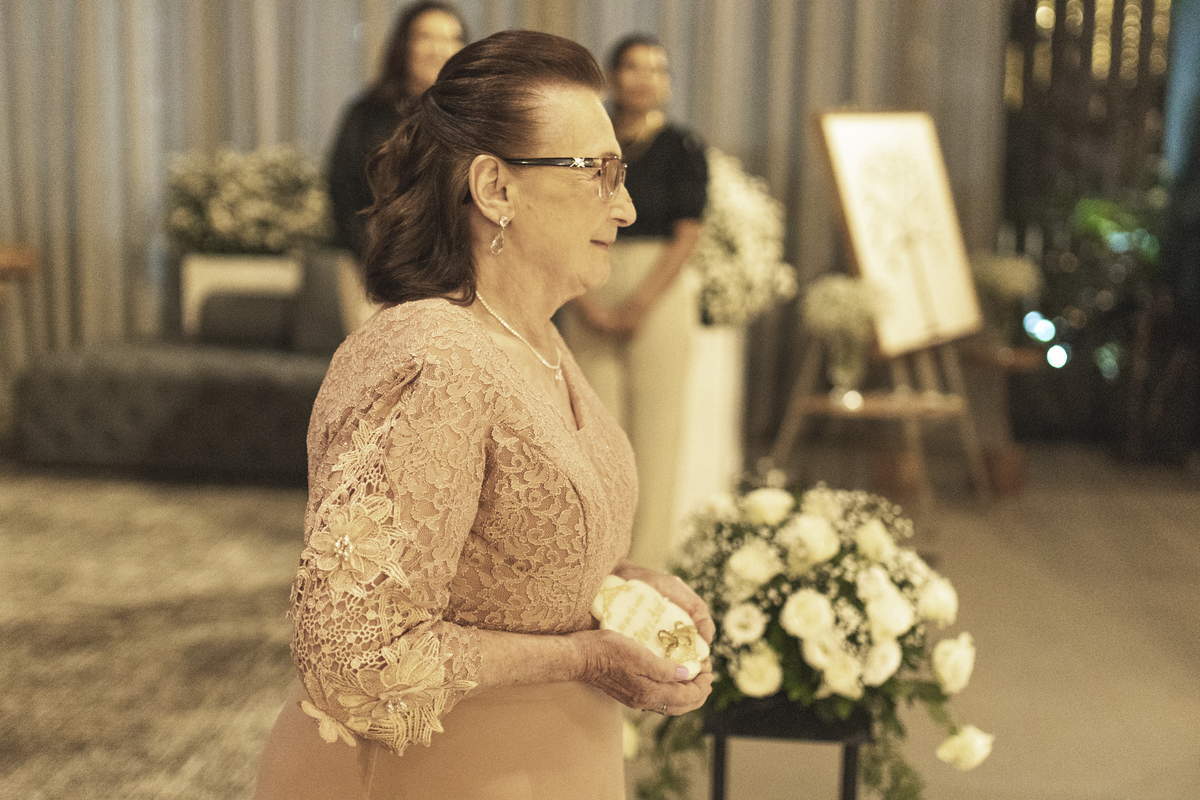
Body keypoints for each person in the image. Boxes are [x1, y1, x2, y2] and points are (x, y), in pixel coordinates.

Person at [253, 30, 715, 800]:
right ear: (495, 188)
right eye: (598, 173)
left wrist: (622, 592)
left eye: (623, 175)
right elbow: (357, 661)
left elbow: (500, 555)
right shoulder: (429, 358)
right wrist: (584, 656)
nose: (628, 206)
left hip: (548, 764)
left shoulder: (539, 340)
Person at [558, 35, 709, 571]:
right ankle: (595, 565)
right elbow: (564, 212)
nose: (645, 78)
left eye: (657, 69)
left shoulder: (682, 146)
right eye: (633, 66)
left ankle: (647, 567)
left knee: (656, 434)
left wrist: (639, 304)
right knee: (594, 434)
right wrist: (583, 299)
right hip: (586, 280)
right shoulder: (587, 138)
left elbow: (688, 233)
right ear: (612, 75)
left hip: (658, 289)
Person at [326, 2, 467, 261]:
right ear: (403, 46)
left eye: (451, 39)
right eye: (426, 37)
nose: (439, 50)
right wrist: (373, 256)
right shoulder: (366, 114)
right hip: (383, 261)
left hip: (459, 261)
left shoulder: (471, 115)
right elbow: (344, 194)